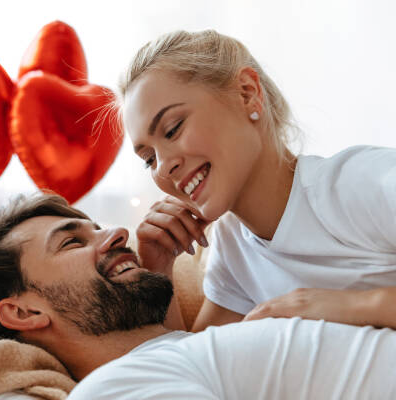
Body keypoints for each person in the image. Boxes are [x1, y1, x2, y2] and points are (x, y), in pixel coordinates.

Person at [0, 193, 396, 399]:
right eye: (72, 242)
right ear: (23, 311)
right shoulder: (116, 389)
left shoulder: (179, 353)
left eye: (96, 226)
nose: (117, 232)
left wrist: (155, 273)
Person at [116, 29, 396, 332]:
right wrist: (159, 273)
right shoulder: (232, 249)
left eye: (172, 129)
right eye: (149, 159)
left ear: (247, 93)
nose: (163, 167)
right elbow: (194, 368)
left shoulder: (361, 182)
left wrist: (334, 306)